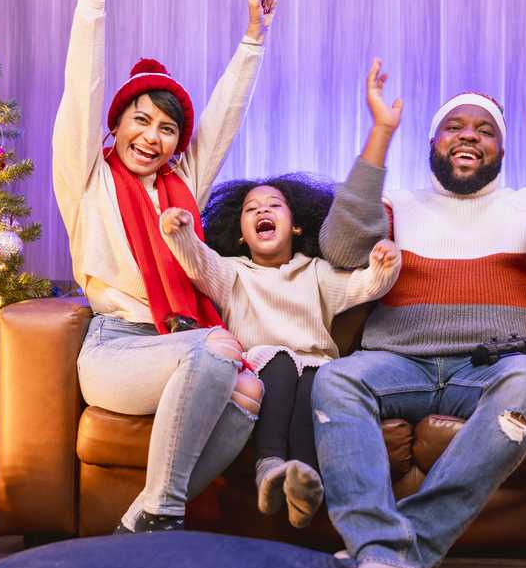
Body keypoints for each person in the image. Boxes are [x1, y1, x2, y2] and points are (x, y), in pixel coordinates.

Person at [310, 44, 526, 568]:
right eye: (454, 127)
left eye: (485, 130)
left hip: (493, 370)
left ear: (502, 148)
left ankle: (392, 558)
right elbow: (342, 248)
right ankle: (388, 551)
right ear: (433, 144)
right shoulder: (398, 204)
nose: (469, 136)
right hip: (399, 364)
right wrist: (379, 133)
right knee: (335, 378)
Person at [52, 0, 276, 533]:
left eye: (169, 129)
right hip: (116, 350)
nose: (154, 137)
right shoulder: (87, 178)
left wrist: (253, 39)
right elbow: (82, 94)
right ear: (118, 124)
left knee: (249, 390)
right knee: (220, 348)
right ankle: (167, 512)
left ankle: (142, 519)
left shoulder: (182, 184)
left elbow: (225, 118)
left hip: (179, 344)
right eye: (141, 121)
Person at [158, 167, 401, 528]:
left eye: (274, 206)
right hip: (261, 372)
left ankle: (303, 477)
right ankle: (269, 465)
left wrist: (383, 266)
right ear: (241, 235)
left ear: (297, 227)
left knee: (316, 380)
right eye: (251, 209)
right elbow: (197, 262)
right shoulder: (233, 274)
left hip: (316, 371)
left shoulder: (315, 272)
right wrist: (179, 232)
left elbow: (362, 287)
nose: (262, 212)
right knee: (284, 364)